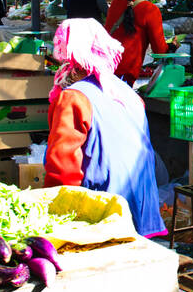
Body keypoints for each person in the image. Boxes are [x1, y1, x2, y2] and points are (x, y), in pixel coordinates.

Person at [44, 19, 166, 238]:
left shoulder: (73, 97)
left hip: (103, 214)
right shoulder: (126, 92)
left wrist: (53, 217)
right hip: (143, 210)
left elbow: (63, 169)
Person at [106, 0, 172, 85]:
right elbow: (160, 51)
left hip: (106, 69)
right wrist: (172, 46)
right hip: (126, 74)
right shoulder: (150, 10)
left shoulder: (116, 1)